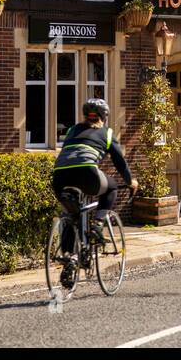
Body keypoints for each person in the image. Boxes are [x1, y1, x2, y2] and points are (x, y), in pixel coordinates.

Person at [51, 99, 138, 283]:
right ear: (104, 117)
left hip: (59, 177)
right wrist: (131, 182)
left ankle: (70, 258)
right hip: (87, 174)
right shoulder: (106, 133)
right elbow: (119, 162)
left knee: (70, 216)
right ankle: (98, 224)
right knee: (112, 186)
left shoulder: (72, 130)